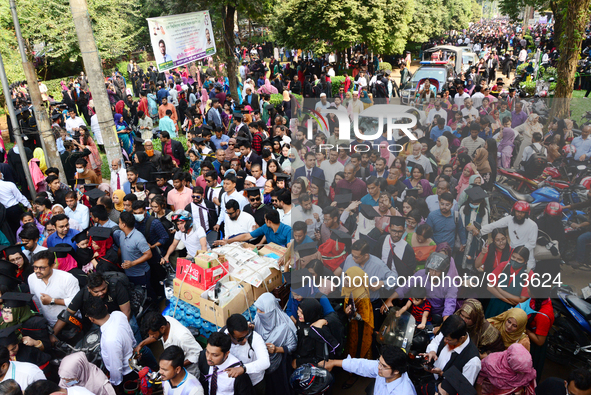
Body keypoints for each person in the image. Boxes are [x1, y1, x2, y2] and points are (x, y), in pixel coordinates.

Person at [84, 295, 137, 391]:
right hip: (133, 361)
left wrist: (115, 384)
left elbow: (115, 367)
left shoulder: (110, 340)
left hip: (125, 374)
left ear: (91, 319)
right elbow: (131, 334)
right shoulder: (118, 314)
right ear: (106, 306)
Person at [324, 345, 416, 394]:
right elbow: (362, 365)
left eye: (383, 366)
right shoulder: (385, 371)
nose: (378, 367)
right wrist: (333, 362)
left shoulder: (404, 392)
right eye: (379, 362)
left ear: (396, 371)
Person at [252, 292, 297, 395]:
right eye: (258, 309)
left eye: (262, 310)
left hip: (280, 366)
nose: (258, 312)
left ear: (270, 311)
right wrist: (253, 326)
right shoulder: (259, 318)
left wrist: (277, 349)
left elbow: (293, 346)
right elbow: (258, 327)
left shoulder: (285, 327)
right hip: (263, 365)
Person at [136, 312, 203, 378]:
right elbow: (156, 337)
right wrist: (141, 344)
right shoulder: (163, 322)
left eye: (152, 334)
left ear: (162, 328)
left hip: (188, 371)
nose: (150, 336)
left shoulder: (182, 337)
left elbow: (198, 353)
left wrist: (175, 366)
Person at [422, 315, 481, 388]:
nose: (444, 341)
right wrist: (432, 351)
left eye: (448, 340)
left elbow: (464, 387)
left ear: (461, 339)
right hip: (429, 379)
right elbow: (436, 341)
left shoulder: (473, 361)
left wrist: (442, 374)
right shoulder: (448, 333)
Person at [477, 201, 537, 271]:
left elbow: (532, 243)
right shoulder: (510, 219)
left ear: (526, 214)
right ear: (513, 211)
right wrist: (479, 231)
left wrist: (519, 251)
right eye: (517, 212)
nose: (519, 214)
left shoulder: (532, 225)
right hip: (512, 256)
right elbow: (494, 225)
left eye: (522, 213)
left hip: (526, 258)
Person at [27, 250, 80, 327]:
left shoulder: (67, 279)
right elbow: (36, 300)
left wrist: (53, 301)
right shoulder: (31, 278)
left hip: (70, 323)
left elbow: (76, 302)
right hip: (48, 323)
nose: (37, 271)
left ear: (52, 265)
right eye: (35, 267)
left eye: (42, 268)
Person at [114, 211, 153, 290]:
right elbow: (121, 247)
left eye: (119, 222)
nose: (118, 224)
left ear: (124, 225)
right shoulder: (122, 234)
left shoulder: (138, 238)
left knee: (146, 294)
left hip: (140, 274)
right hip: (128, 273)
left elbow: (148, 254)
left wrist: (132, 263)